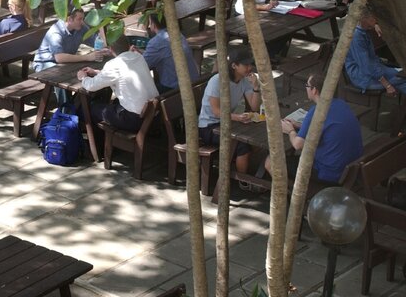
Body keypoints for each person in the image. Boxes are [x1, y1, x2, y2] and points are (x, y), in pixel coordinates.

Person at [268, 73, 364, 184]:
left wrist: (290, 130)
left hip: (329, 173)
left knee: (270, 162)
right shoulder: (342, 104)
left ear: (314, 90)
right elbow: (326, 127)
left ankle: (289, 197)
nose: (306, 89)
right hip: (350, 167)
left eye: (307, 86)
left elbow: (298, 145)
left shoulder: (317, 111)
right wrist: (299, 126)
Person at [197, 46, 262, 174]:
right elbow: (216, 111)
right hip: (209, 127)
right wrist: (238, 117)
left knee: (255, 138)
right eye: (246, 65)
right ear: (234, 66)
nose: (250, 68)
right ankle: (242, 180)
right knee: (242, 145)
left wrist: (256, 87)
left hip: (227, 122)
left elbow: (254, 107)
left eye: (250, 64)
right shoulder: (217, 81)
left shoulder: (244, 80)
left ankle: (238, 164)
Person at [32, 8, 111, 111]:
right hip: (46, 63)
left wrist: (101, 29)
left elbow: (99, 43)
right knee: (61, 80)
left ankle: (81, 107)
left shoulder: (80, 27)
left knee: (90, 73)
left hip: (65, 63)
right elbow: (59, 57)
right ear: (69, 19)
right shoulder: (56, 32)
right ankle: (66, 113)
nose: (82, 22)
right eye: (80, 19)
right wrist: (87, 57)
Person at [77, 49, 159, 132]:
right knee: (111, 103)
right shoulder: (137, 56)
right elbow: (118, 73)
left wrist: (83, 77)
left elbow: (91, 85)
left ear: (111, 49)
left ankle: (96, 141)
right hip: (152, 115)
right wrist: (97, 72)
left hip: (134, 119)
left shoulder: (113, 64)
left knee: (91, 109)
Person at [345, 6, 406, 95]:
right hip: (363, 77)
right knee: (403, 81)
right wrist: (387, 85)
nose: (375, 22)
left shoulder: (362, 29)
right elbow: (366, 66)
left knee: (402, 75)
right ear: (363, 19)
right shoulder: (356, 37)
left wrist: (376, 24)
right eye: (373, 19)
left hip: (376, 68)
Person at [133, 14, 199, 93]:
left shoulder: (156, 42)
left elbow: (144, 65)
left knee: (139, 91)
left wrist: (132, 55)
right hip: (193, 81)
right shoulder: (177, 34)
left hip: (174, 88)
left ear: (153, 24)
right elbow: (162, 54)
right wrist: (141, 52)